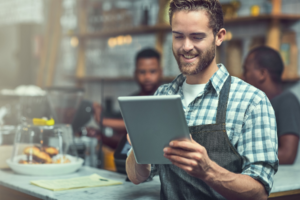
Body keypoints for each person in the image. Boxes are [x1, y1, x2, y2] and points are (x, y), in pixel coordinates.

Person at [126, 0, 278, 199]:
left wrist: (209, 171)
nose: (186, 47)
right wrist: (139, 150)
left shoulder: (251, 101)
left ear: (219, 36)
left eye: (197, 37)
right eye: (178, 36)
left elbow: (259, 193)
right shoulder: (162, 95)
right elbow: (139, 177)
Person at [93, 48, 162, 147]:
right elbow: (124, 141)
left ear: (161, 72)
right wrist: (100, 136)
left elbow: (143, 126)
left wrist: (102, 120)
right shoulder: (129, 102)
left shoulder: (168, 99)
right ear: (135, 73)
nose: (147, 77)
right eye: (142, 72)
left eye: (152, 71)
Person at [243, 46, 300, 165]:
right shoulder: (257, 105)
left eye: (246, 70)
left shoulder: (286, 101)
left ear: (262, 74)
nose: (243, 77)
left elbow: (287, 155)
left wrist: (240, 157)